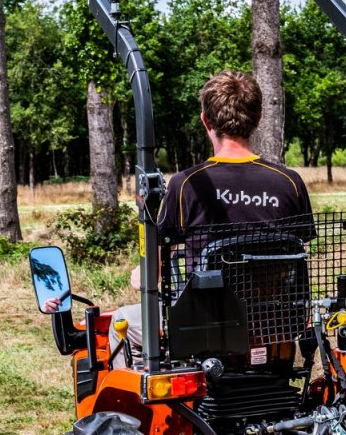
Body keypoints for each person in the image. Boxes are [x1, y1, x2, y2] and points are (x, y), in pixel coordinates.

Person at [115, 71, 313, 358]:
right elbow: (297, 256)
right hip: (275, 323)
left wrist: (140, 274)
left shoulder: (188, 184)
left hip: (207, 325)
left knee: (119, 319)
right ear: (257, 119)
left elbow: (151, 276)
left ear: (205, 120)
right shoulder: (289, 182)